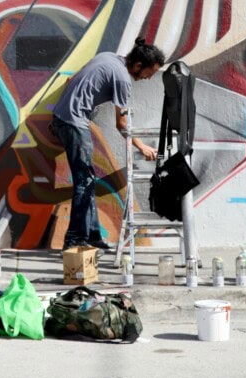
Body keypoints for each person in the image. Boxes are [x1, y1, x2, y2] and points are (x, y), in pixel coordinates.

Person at [51, 37, 165, 251]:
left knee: (88, 180)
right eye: (149, 73)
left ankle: (93, 236)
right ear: (138, 65)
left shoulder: (108, 56)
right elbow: (121, 124)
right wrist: (142, 147)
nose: (148, 78)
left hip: (63, 118)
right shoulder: (122, 79)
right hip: (73, 122)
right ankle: (74, 240)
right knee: (84, 181)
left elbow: (71, 81)